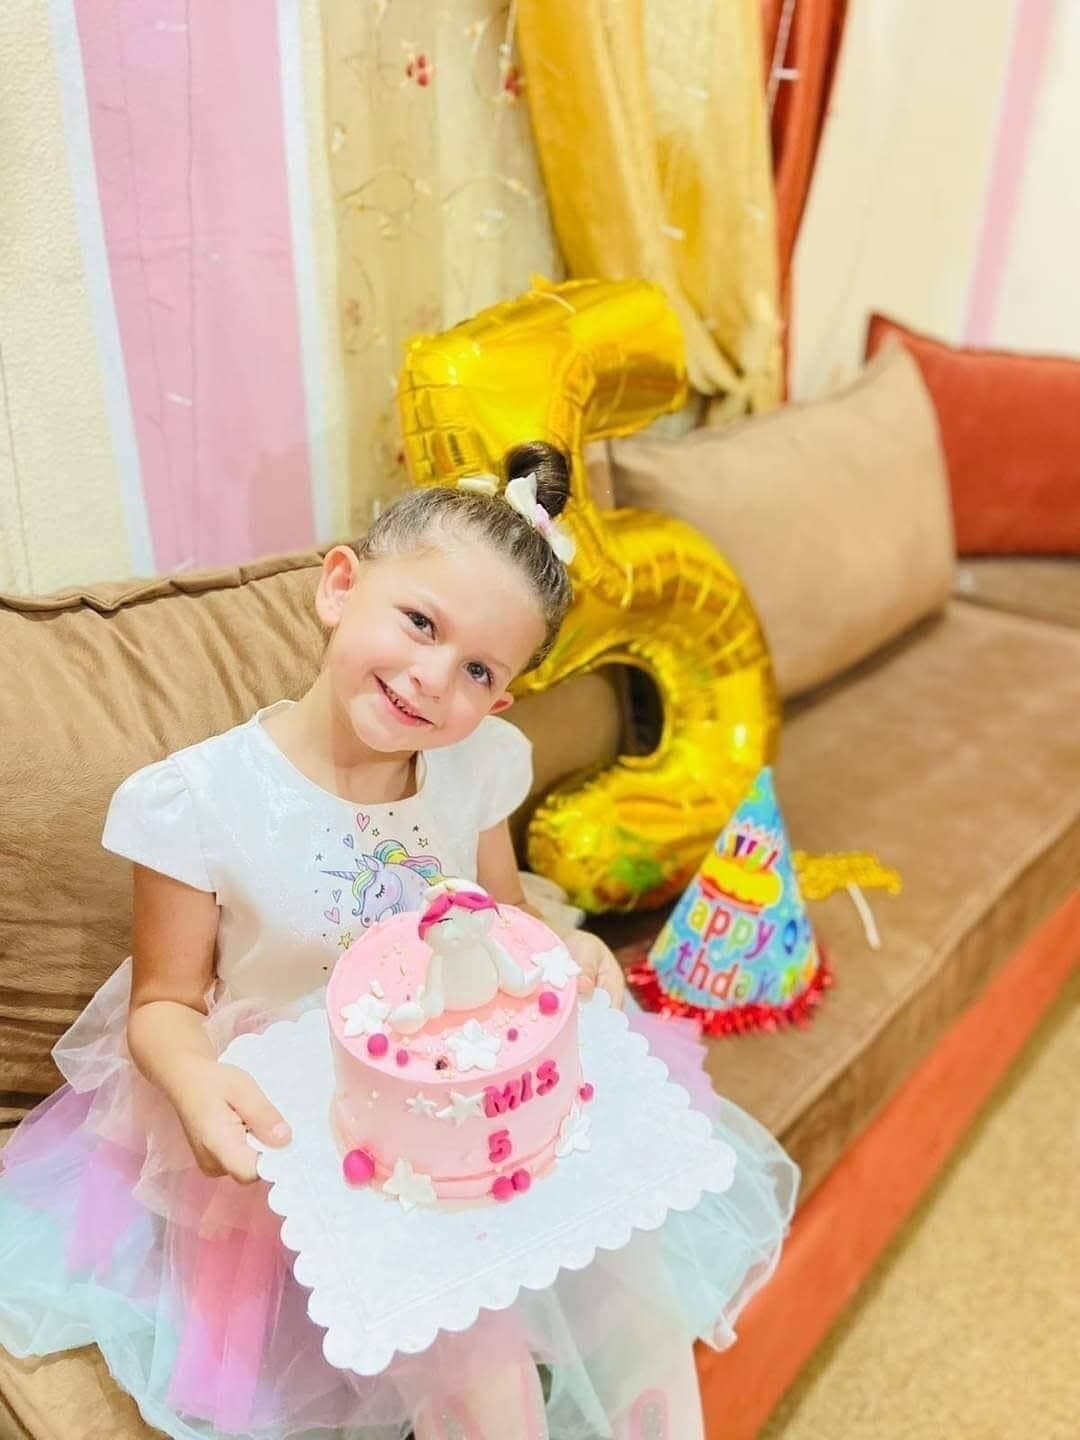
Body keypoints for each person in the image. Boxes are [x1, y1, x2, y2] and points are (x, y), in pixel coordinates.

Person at [0, 442, 798, 1440]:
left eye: (477, 669)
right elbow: (164, 1002)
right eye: (420, 623)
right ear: (341, 586)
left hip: (462, 1101)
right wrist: (197, 1084)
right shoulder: (195, 801)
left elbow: (503, 918)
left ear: (500, 701)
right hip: (301, 1121)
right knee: (479, 1359)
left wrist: (566, 946)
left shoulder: (475, 765)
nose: (431, 678)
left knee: (627, 1276)